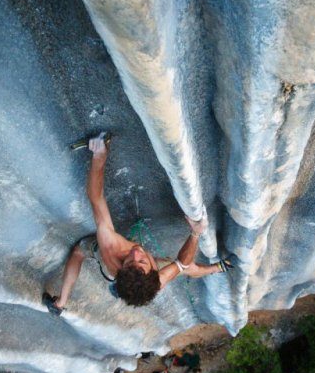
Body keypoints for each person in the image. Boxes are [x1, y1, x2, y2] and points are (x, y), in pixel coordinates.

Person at [43, 133, 231, 315]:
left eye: (129, 262)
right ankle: (217, 268)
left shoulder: (110, 249)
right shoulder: (157, 280)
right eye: (141, 261)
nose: (135, 253)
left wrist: (99, 156)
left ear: (121, 270)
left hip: (109, 260)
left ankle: (60, 303)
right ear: (154, 272)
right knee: (187, 268)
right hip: (137, 274)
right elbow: (182, 263)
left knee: (79, 251)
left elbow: (96, 199)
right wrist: (196, 233)